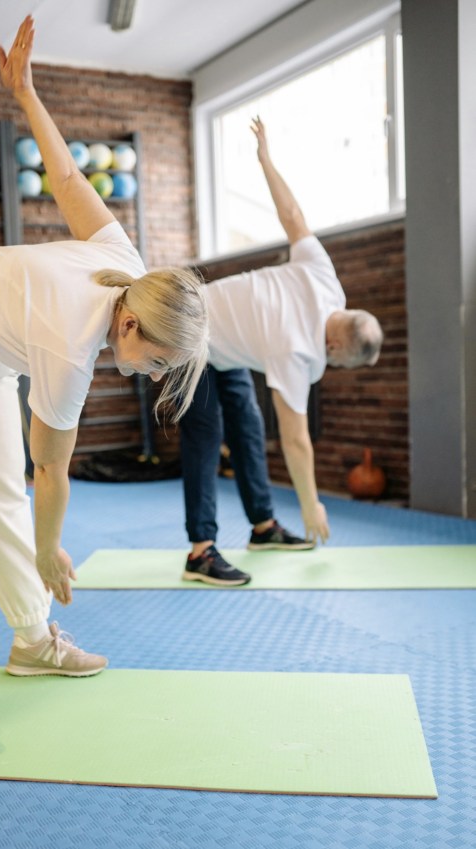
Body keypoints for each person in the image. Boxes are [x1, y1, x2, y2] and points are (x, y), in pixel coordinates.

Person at [0, 15, 208, 761]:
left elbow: (69, 177)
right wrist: (53, 552)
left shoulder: (126, 262)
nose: (149, 378)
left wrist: (27, 92)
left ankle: (30, 637)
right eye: (155, 365)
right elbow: (52, 467)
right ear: (130, 331)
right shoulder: (69, 345)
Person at [181, 116, 382, 587]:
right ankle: (200, 552)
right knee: (206, 434)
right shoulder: (298, 352)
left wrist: (266, 159)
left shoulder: (325, 277)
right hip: (185, 334)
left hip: (225, 348)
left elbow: (292, 215)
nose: (332, 367)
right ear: (334, 346)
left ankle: (263, 527)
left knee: (248, 426)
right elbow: (296, 439)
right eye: (340, 363)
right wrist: (311, 502)